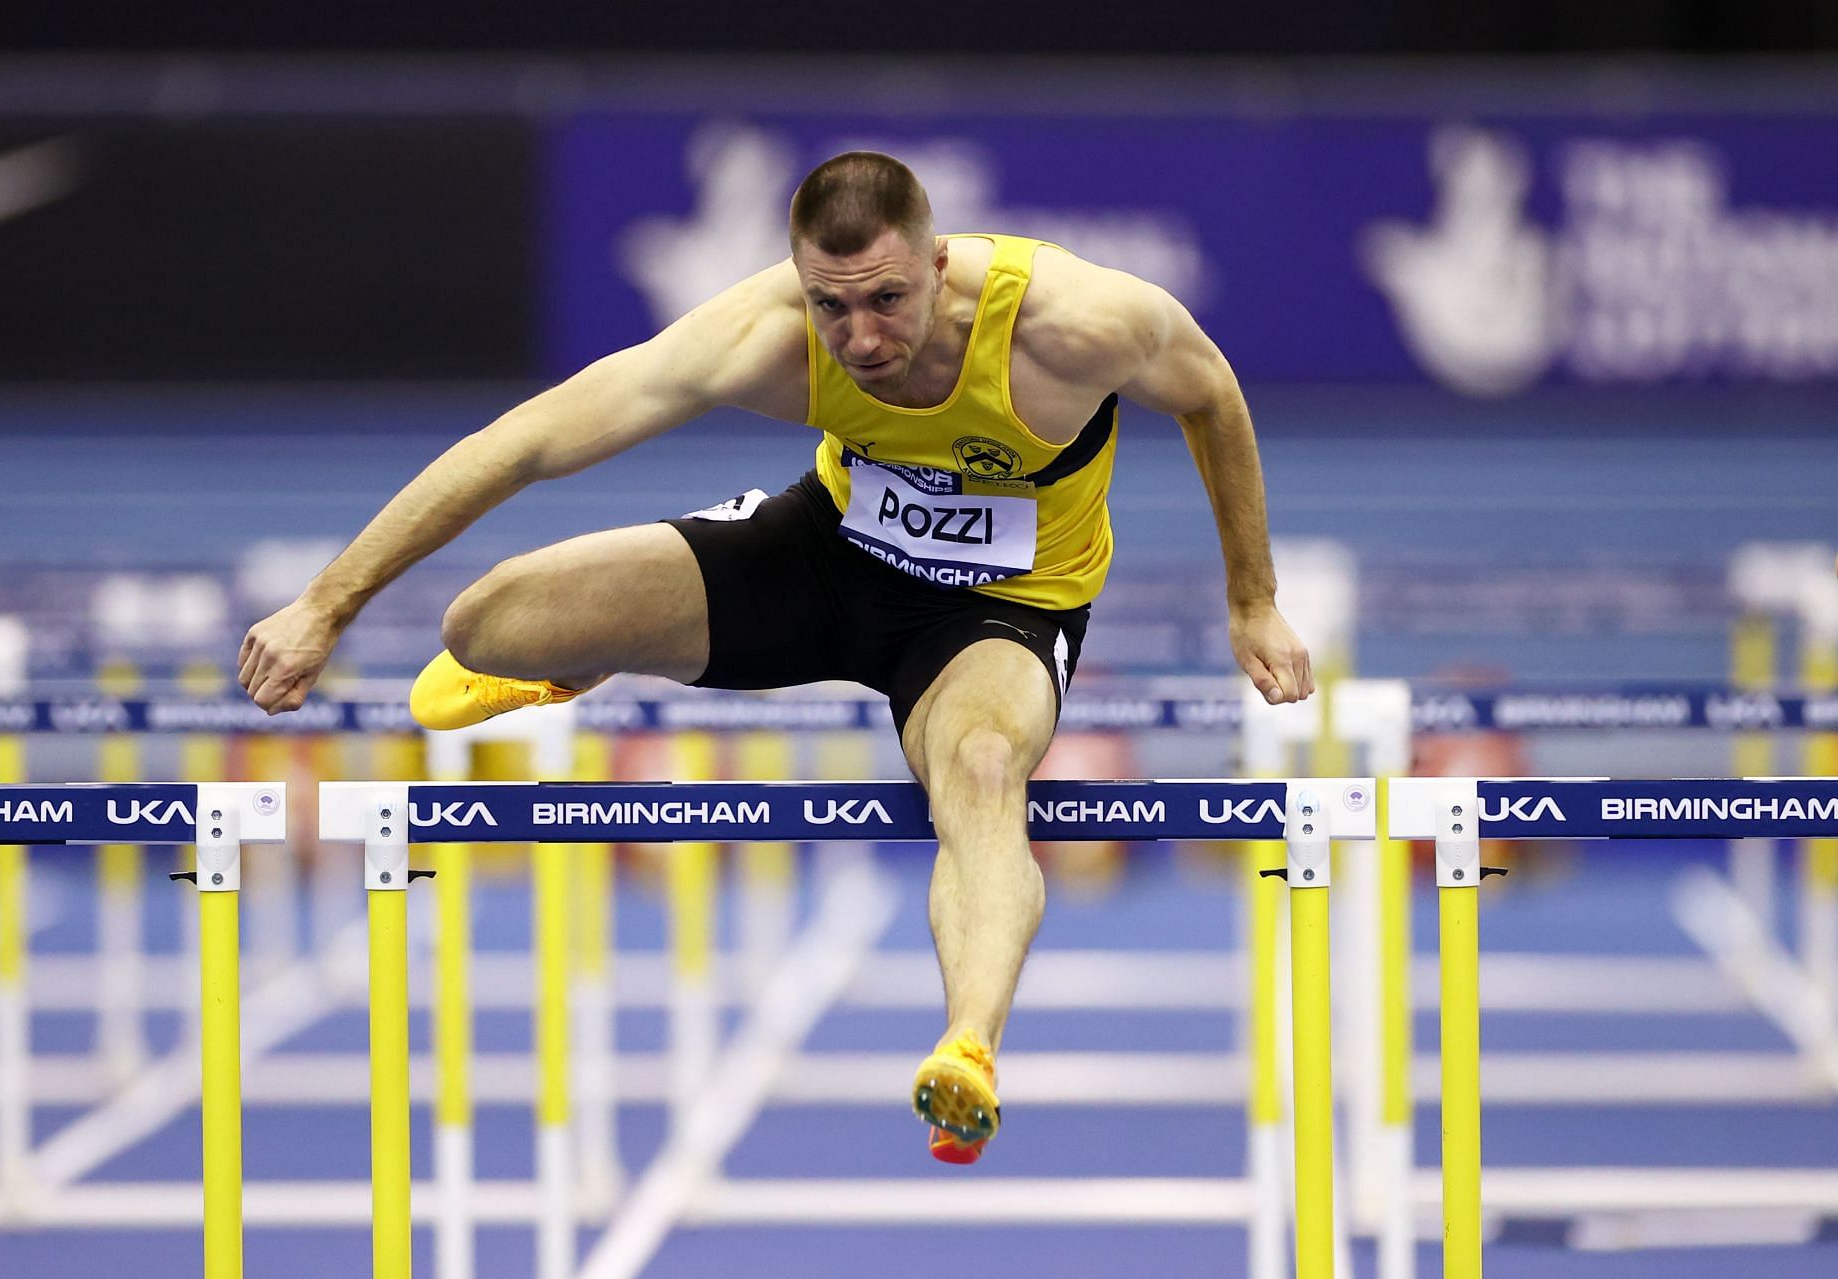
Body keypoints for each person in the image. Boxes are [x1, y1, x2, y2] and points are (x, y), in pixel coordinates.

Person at [239, 151, 1313, 1164]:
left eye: (887, 300)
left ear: (940, 266)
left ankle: (968, 1048)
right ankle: (590, 654)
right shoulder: (764, 332)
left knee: (982, 769)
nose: (860, 336)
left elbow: (1213, 395)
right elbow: (525, 441)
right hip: (827, 555)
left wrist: (1253, 600)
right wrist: (325, 607)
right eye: (829, 304)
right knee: (486, 624)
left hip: (999, 613)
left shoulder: (1074, 323)